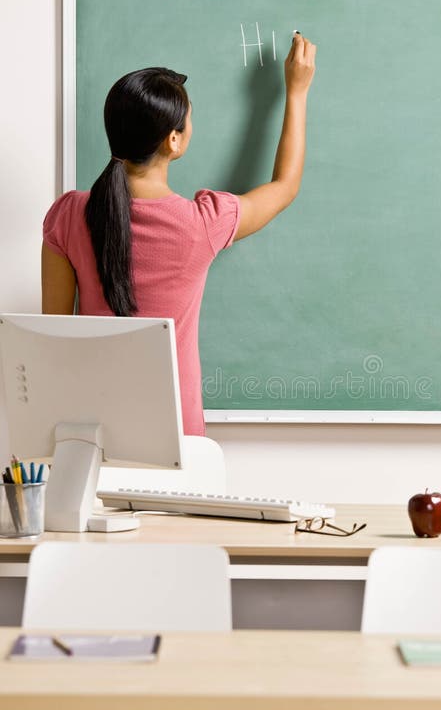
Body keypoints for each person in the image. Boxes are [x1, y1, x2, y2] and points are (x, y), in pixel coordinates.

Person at [41, 33, 316, 435]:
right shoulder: (202, 224)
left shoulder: (67, 215)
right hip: (177, 436)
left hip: (89, 430)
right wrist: (297, 91)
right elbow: (285, 186)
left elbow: (55, 337)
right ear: (173, 139)